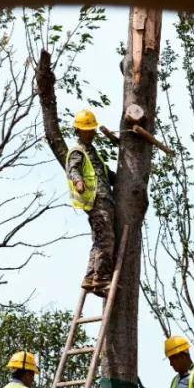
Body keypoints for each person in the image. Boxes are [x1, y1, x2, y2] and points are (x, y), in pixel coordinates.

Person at [66, 109, 116, 297]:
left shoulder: (92, 152)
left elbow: (103, 173)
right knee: (106, 238)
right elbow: (73, 169)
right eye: (87, 130)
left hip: (104, 199)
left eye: (92, 130)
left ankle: (90, 277)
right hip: (96, 201)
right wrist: (78, 182)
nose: (92, 133)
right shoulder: (78, 151)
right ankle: (101, 279)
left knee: (99, 239)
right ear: (78, 131)